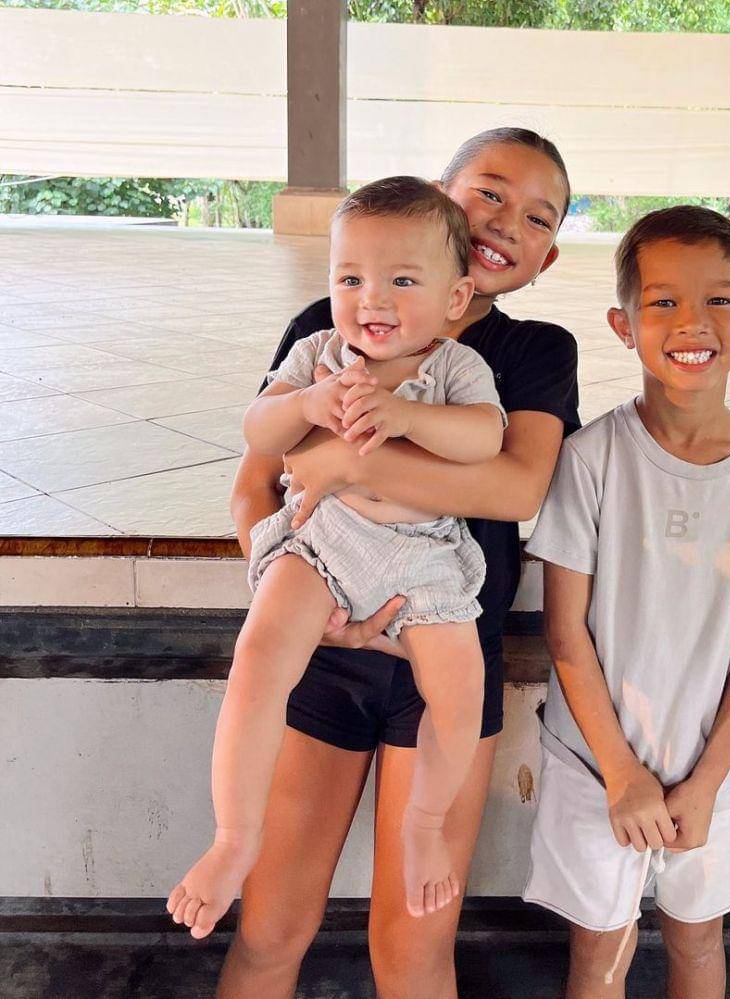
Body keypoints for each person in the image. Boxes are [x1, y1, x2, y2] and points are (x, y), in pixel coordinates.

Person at [209, 129, 580, 999]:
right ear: (440, 195)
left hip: (445, 654)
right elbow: (255, 486)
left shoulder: (533, 352)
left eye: (538, 217)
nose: (505, 223)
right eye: (489, 192)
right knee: (270, 928)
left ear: (548, 257)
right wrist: (300, 601)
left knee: (412, 950)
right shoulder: (329, 327)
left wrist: (351, 462)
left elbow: (515, 485)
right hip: (325, 652)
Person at [167, 175, 510, 937]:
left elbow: (484, 438)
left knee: (460, 690)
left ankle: (424, 823)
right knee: (259, 656)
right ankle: (234, 837)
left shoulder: (455, 367)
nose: (372, 299)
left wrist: (406, 415)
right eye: (350, 278)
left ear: (455, 299)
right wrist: (303, 404)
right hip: (321, 540)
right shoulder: (317, 351)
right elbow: (259, 429)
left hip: (422, 556)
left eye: (402, 281)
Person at [522, 206, 730, 999]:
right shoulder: (591, 461)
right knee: (599, 953)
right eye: (663, 302)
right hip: (597, 763)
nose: (692, 322)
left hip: (715, 768)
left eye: (718, 299)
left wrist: (707, 782)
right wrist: (621, 775)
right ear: (624, 325)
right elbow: (566, 634)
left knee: (699, 939)